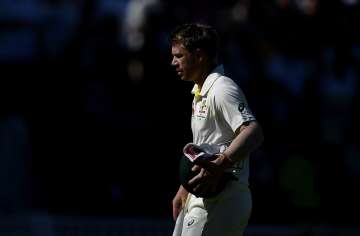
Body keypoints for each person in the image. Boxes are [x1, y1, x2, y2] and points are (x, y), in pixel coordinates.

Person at [170, 23, 264, 236]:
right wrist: (185, 188)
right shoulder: (200, 91)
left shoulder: (222, 88)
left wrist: (221, 163)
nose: (173, 62)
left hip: (223, 198)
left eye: (179, 56)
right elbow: (209, 143)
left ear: (199, 55)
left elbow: (253, 131)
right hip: (206, 195)